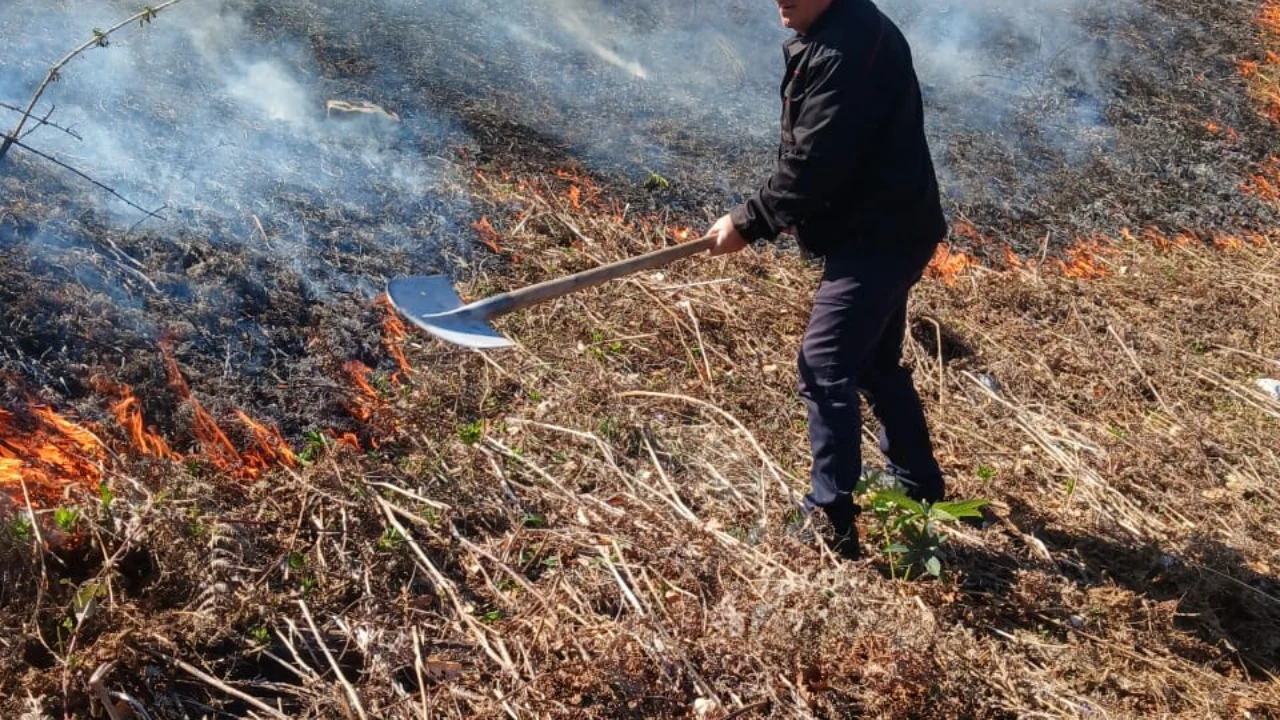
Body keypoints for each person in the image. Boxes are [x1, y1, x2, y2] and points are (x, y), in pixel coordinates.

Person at [705, 0, 948, 559]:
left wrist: (748, 221)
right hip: (888, 226)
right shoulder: (838, 31)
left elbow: (813, 163)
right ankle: (918, 488)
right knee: (873, 363)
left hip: (881, 237)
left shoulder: (847, 49)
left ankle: (829, 520)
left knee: (824, 365)